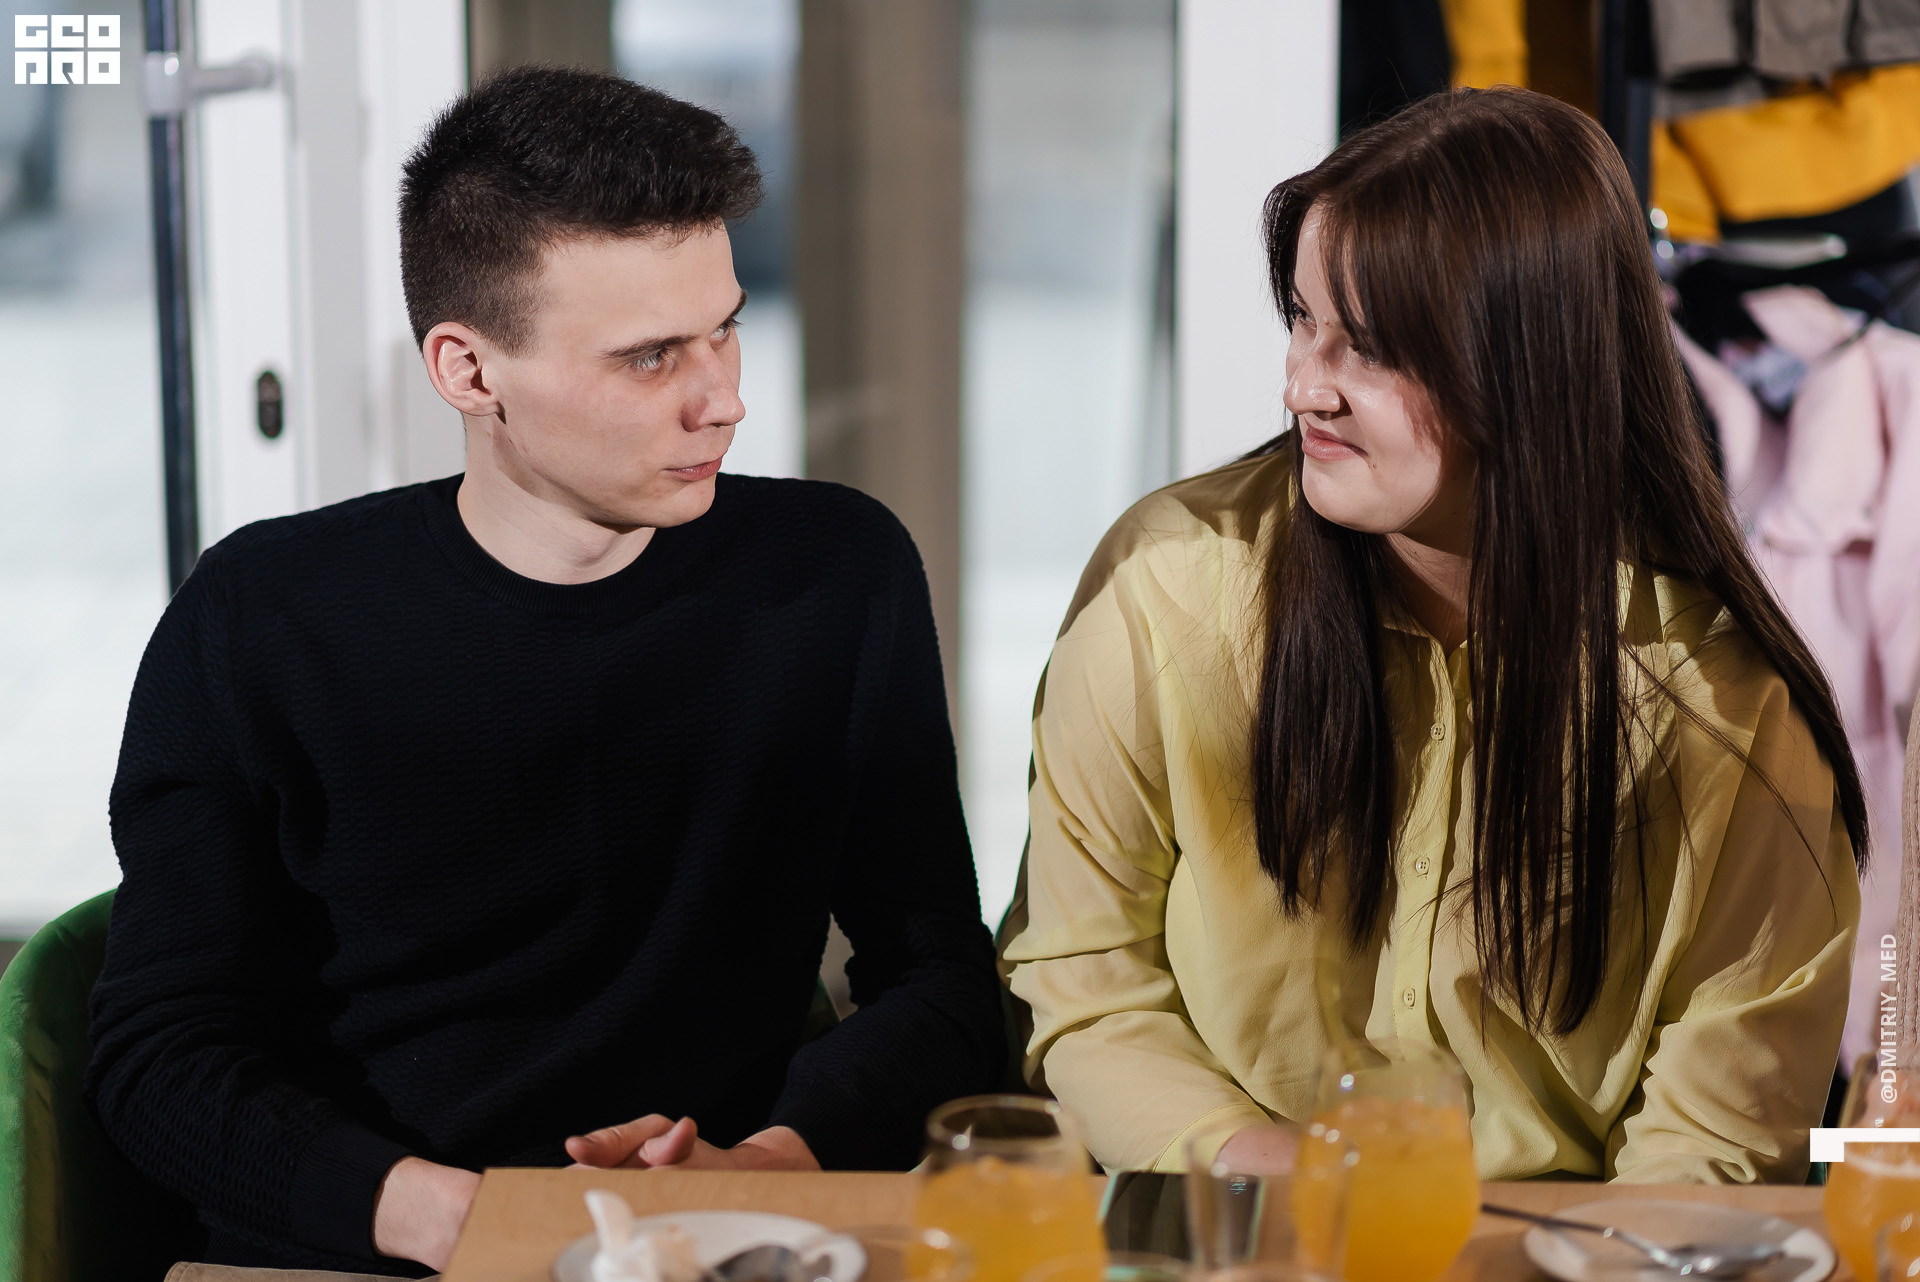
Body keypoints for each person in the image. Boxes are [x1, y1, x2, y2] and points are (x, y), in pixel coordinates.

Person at [88, 66, 1005, 1277]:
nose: (724, 399)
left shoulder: (837, 575)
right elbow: (158, 1061)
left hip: (730, 1235)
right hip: (373, 1248)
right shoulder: (263, 616)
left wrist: (773, 1160)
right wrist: (472, 1220)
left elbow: (942, 984)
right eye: (650, 357)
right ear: (470, 372)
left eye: (727, 327)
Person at [999, 87, 1867, 1183]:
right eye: (1302, 320)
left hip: (1575, 1255)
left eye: (1366, 349)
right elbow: (1083, 983)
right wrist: (1279, 1179)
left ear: (1528, 369)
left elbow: (1710, 1152)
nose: (1302, 386)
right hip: (1226, 1228)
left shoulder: (1730, 716)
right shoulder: (1164, 585)